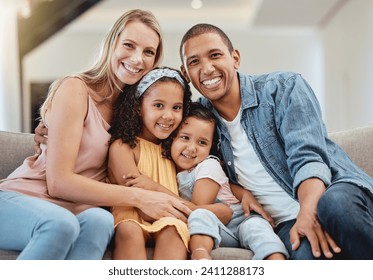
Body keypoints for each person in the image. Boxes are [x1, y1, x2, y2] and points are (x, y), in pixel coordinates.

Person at [0, 9, 191, 260]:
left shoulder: (133, 114)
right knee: (60, 224)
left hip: (75, 208)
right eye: (129, 45)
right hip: (24, 198)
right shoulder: (76, 88)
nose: (137, 58)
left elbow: (185, 124)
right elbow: (59, 182)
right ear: (112, 44)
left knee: (101, 220)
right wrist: (141, 197)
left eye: (148, 52)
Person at [179, 23, 373, 259]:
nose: (207, 68)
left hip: (329, 191)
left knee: (335, 206)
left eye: (215, 55)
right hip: (282, 223)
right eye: (194, 62)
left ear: (235, 58)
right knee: (304, 257)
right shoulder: (198, 119)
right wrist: (242, 193)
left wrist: (309, 210)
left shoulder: (283, 87)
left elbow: (308, 157)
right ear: (186, 73)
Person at [162, 102, 287, 260]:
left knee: (255, 227)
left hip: (241, 220)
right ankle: (201, 255)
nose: (192, 148)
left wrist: (155, 189)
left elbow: (195, 208)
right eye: (185, 138)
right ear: (172, 138)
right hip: (219, 229)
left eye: (202, 142)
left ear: (210, 148)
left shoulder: (208, 165)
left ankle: (275, 259)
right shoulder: (169, 169)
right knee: (201, 216)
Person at [106, 67, 192, 260]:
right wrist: (190, 208)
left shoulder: (173, 151)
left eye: (176, 107)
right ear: (138, 107)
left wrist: (153, 187)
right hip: (130, 217)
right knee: (129, 229)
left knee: (173, 228)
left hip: (170, 218)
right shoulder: (124, 147)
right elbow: (143, 208)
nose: (168, 116)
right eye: (158, 105)